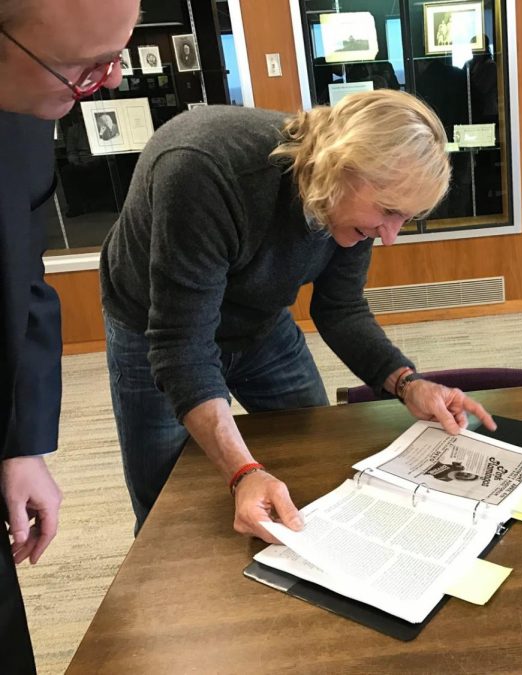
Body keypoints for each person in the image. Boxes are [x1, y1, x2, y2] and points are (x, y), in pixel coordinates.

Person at [100, 89, 497, 543]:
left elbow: (340, 308)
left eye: (403, 219)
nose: (388, 237)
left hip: (261, 321)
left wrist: (406, 382)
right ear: (340, 167)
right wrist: (243, 471)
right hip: (151, 325)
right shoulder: (204, 170)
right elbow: (182, 349)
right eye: (388, 213)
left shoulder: (355, 199)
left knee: (315, 461)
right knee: (167, 503)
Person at [0, 1, 138, 671]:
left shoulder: (24, 118)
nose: (108, 83)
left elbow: (22, 275)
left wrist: (22, 441)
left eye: (111, 59)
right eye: (86, 66)